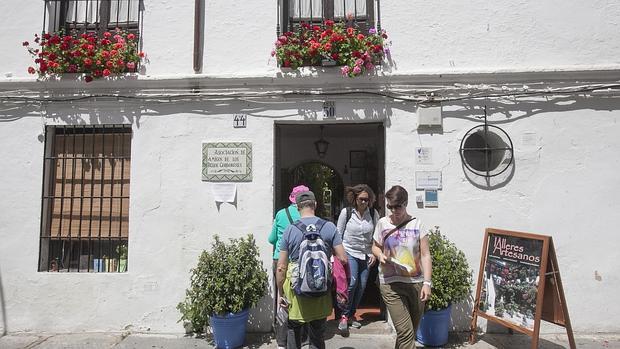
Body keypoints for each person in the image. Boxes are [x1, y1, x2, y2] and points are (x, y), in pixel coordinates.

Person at [276, 190, 348, 349]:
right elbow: (343, 258)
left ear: (297, 207)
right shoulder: (329, 227)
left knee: (293, 329)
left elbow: (281, 267)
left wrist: (281, 293)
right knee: (317, 332)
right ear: (315, 204)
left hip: (296, 291)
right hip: (321, 289)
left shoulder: (290, 230)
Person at [372, 185, 432, 349]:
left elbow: (426, 255)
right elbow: (375, 246)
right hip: (390, 284)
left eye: (397, 206)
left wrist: (427, 283)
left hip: (415, 283)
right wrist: (379, 255)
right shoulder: (382, 224)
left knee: (410, 331)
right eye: (390, 206)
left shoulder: (417, 224)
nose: (393, 210)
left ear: (405, 203)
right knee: (406, 334)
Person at [269, 184, 309, 349]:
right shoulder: (306, 215)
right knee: (300, 299)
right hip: (297, 261)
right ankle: (302, 338)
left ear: (292, 198)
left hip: (279, 260)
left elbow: (271, 239)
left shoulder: (280, 214)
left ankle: (281, 341)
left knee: (282, 299)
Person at [336, 184, 380, 333]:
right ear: (355, 199)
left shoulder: (373, 214)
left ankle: (351, 315)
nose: (364, 202)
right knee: (352, 284)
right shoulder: (346, 213)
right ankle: (343, 316)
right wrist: (339, 254)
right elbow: (338, 234)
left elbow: (377, 236)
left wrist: (374, 253)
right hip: (350, 252)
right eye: (361, 199)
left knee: (361, 286)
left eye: (367, 200)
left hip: (367, 255)